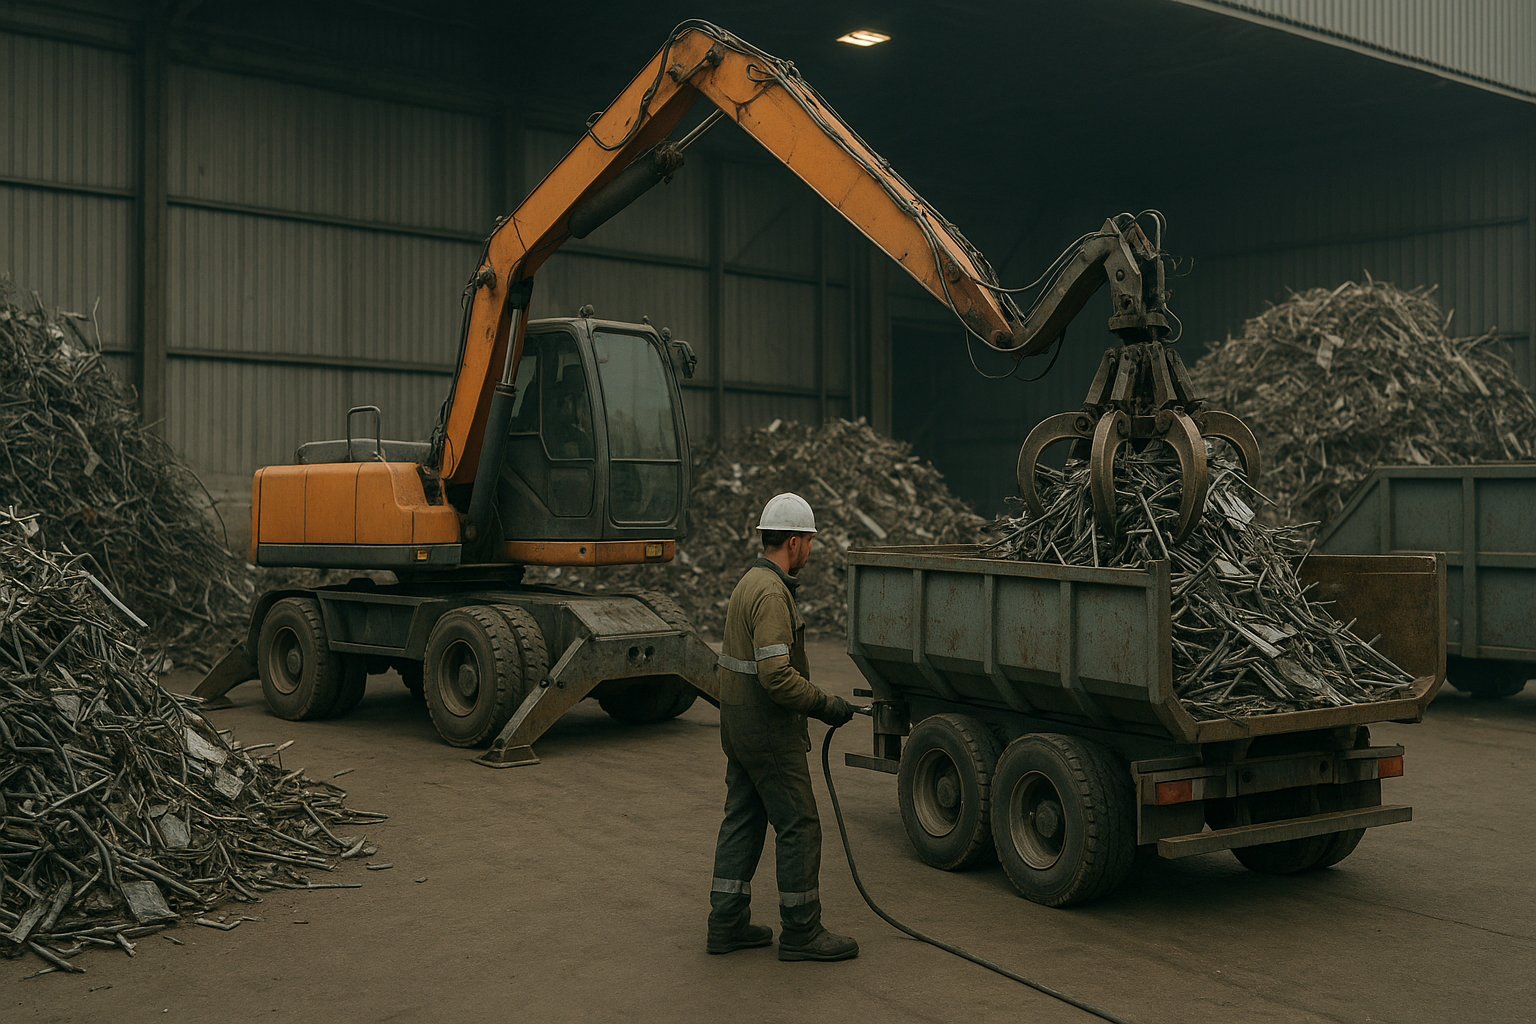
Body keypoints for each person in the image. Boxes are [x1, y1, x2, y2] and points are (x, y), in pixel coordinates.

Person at [706, 492, 859, 962]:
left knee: (744, 820)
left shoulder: (748, 582)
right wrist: (827, 704)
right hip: (768, 732)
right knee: (799, 824)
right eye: (810, 541)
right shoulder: (773, 594)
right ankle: (801, 931)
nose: (811, 550)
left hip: (738, 726)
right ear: (793, 542)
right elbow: (776, 677)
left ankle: (726, 925)